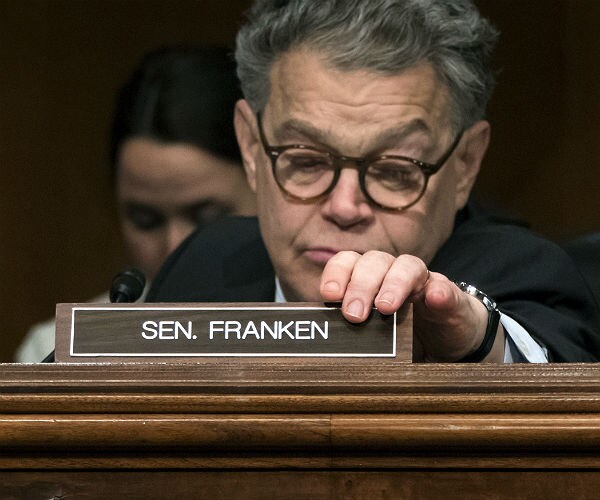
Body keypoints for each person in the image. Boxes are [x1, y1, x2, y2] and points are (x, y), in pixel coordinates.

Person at [146, 0, 600, 362]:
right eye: (306, 161)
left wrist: (477, 343)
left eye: (394, 170)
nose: (344, 207)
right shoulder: (202, 266)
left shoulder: (525, 275)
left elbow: (553, 371)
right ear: (250, 146)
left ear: (464, 164)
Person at [15, 45, 256, 362]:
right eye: (146, 220)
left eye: (207, 218)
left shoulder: (314, 331)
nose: (174, 246)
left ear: (264, 186)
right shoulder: (58, 351)